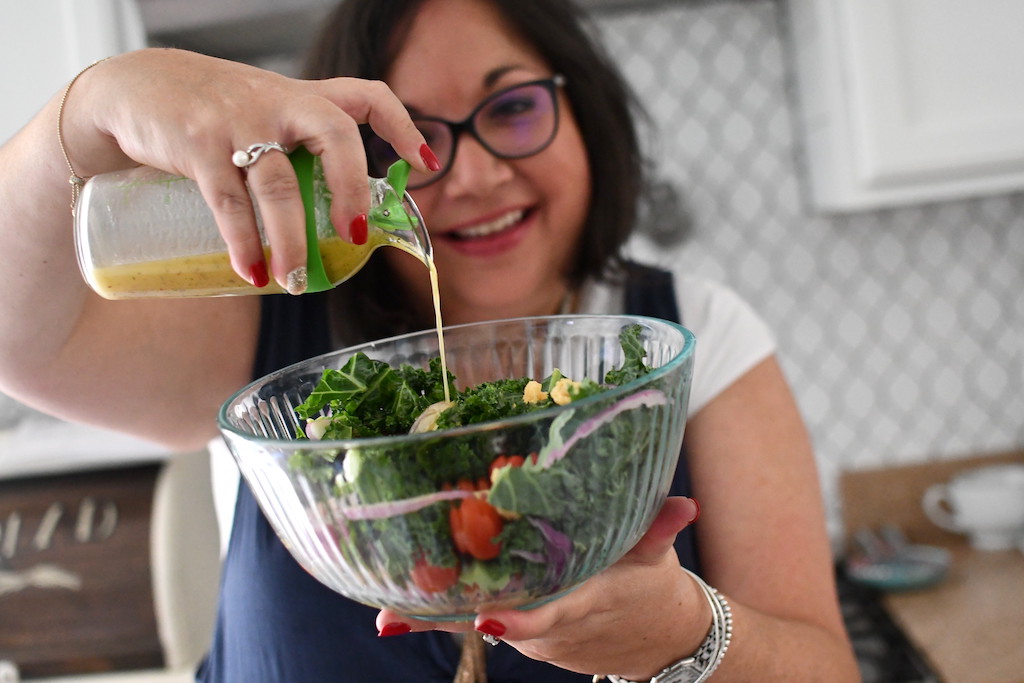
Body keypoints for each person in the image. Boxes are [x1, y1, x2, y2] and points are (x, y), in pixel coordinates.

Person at [0, 0, 859, 681]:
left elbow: (825, 671)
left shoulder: (694, 334)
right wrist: (90, 108)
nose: (474, 174)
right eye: (411, 139)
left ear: (586, 112)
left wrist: (684, 637)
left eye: (515, 107)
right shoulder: (275, 310)